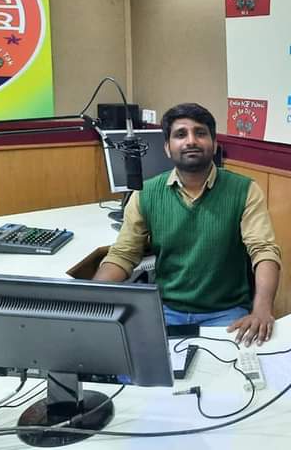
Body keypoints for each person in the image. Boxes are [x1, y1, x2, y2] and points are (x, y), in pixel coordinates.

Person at [94, 103, 281, 347]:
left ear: (214, 144)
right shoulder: (145, 193)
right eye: (180, 134)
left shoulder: (245, 190)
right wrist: (91, 299)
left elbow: (264, 251)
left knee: (234, 366)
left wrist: (262, 309)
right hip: (166, 309)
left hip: (226, 312)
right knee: (138, 364)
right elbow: (123, 255)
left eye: (200, 133)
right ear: (167, 147)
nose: (191, 141)